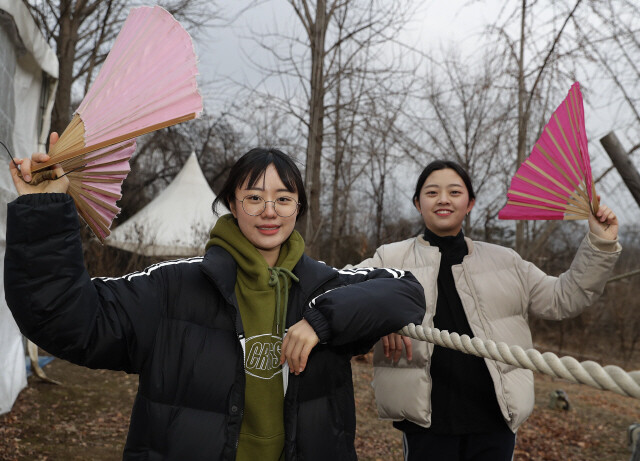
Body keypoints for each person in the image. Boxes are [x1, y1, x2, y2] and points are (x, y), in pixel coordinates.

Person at [4, 137, 426, 461]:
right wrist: (43, 210)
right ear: (231, 204)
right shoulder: (174, 287)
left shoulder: (325, 287)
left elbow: (404, 290)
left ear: (298, 208)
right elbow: (69, 320)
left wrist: (323, 322)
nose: (269, 210)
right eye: (254, 197)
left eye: (283, 198)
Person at [352, 159, 621, 461]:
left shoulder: (506, 261)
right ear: (418, 203)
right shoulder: (390, 258)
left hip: (494, 420)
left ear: (470, 203)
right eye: (432, 192)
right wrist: (384, 316)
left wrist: (600, 243)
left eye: (454, 192)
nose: (443, 199)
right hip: (427, 424)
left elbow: (563, 298)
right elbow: (347, 292)